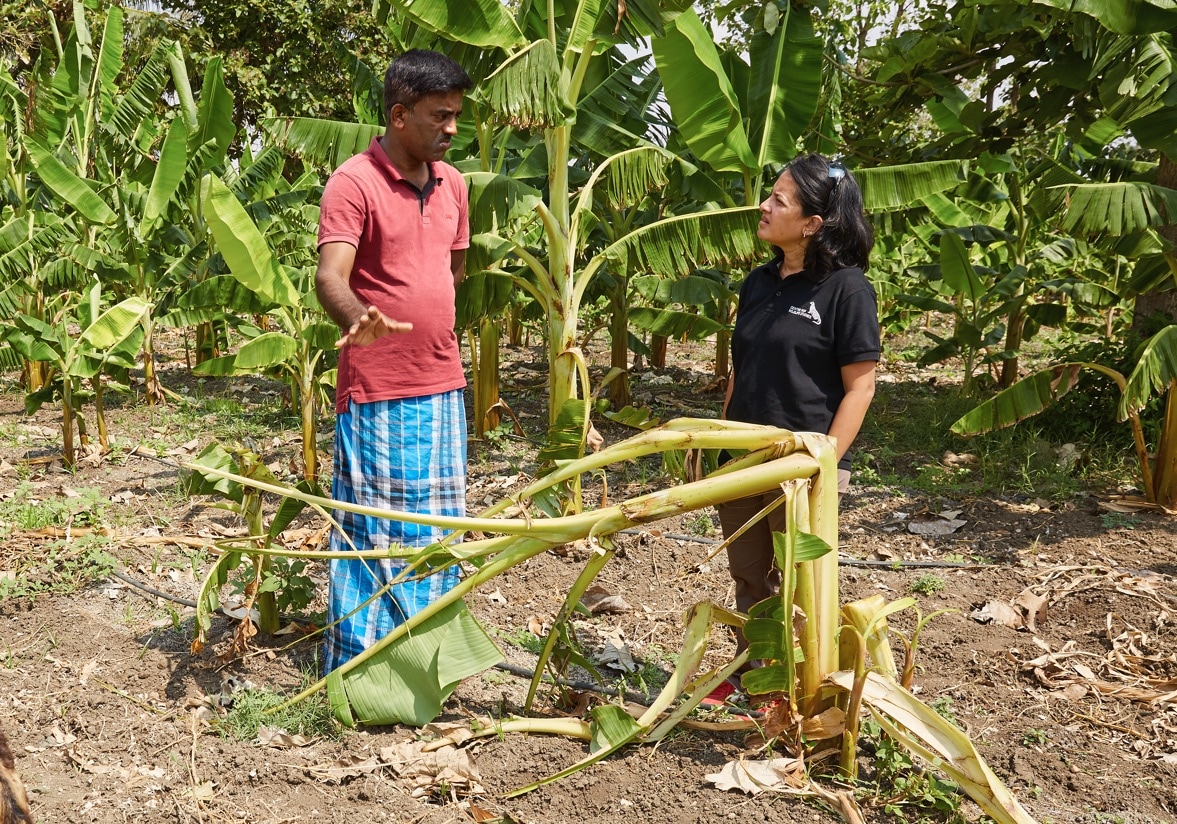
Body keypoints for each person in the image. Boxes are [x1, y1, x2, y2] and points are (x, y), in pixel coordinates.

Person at [314, 49, 472, 674]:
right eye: (441, 116)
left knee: (436, 533)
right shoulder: (354, 181)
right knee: (376, 533)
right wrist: (360, 318)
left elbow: (452, 271)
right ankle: (362, 669)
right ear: (400, 115)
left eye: (457, 116)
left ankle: (425, 664)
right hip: (379, 385)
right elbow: (330, 276)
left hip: (442, 380)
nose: (452, 128)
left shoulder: (453, 183)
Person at [713, 153, 879, 699]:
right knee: (751, 577)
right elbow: (744, 369)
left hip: (804, 463)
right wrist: (720, 437)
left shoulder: (846, 289)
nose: (763, 206)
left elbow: (861, 385)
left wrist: (824, 460)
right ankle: (755, 676)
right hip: (744, 459)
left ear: (813, 224)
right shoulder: (758, 283)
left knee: (803, 585)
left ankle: (805, 688)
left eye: (778, 200)